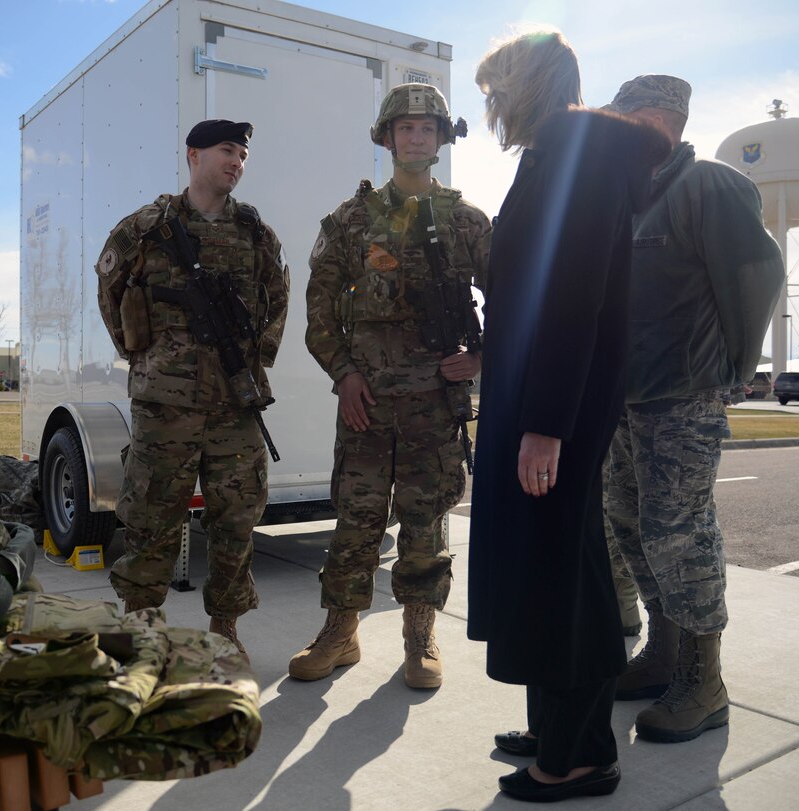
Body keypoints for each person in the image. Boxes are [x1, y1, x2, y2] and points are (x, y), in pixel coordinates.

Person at [466, 31, 671, 802]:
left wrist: (547, 420)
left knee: (566, 570)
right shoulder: (555, 154)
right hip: (533, 393)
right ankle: (555, 723)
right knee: (540, 567)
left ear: (527, 86)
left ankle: (584, 751)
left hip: (559, 403)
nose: (489, 108)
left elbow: (575, 296)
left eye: (495, 91)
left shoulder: (581, 158)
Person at [289, 83, 491, 690]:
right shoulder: (350, 220)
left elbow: (515, 294)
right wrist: (344, 375)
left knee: (425, 522)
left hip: (433, 406)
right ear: (386, 138)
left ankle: (419, 635)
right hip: (366, 404)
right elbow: (318, 308)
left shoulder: (466, 221)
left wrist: (483, 355)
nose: (415, 137)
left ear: (441, 139)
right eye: (404, 128)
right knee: (355, 522)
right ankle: (340, 632)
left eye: (427, 128)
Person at [603, 75, 785, 742]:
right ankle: (663, 652)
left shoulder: (707, 185)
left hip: (683, 396)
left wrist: (732, 371)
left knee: (681, 534)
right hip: (626, 400)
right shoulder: (628, 196)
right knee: (629, 521)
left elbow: (755, 277)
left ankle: (704, 683)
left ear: (659, 119)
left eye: (628, 119)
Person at [96, 120, 290, 655]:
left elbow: (278, 298)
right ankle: (140, 629)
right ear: (193, 155)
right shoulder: (144, 228)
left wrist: (257, 359)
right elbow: (110, 289)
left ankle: (225, 631)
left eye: (243, 155)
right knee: (151, 516)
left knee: (237, 520)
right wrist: (142, 354)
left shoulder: (254, 233)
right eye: (227, 151)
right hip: (165, 404)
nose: (237, 162)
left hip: (235, 401)